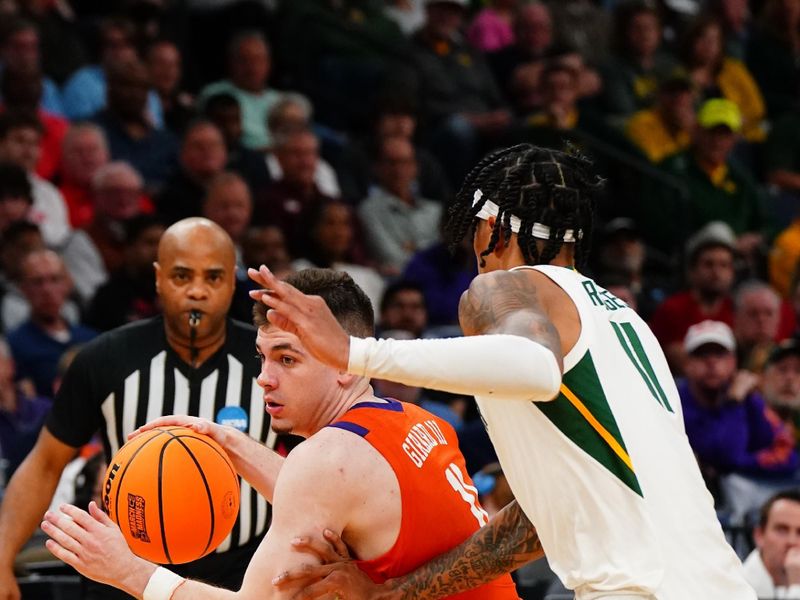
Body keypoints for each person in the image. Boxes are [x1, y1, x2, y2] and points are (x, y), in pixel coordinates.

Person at [258, 144, 756, 598]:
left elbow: (536, 368)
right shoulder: (629, 323)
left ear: (493, 229)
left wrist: (355, 352)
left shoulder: (502, 287)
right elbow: (538, 521)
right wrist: (392, 595)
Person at [41, 268, 518, 600]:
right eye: (262, 357)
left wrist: (129, 572)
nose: (265, 378)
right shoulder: (416, 420)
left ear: (346, 366)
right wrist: (223, 439)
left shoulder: (328, 459)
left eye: (288, 359)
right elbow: (323, 494)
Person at [0, 217, 281, 600]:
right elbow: (46, 463)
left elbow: (312, 469)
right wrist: (1, 557)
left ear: (232, 283)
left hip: (243, 568)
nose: (197, 291)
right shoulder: (104, 358)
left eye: (213, 278)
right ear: (158, 278)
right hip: (124, 566)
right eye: (182, 277)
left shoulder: (272, 363)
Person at [742, 490, 800, 598]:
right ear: (759, 535)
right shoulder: (736, 586)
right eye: (782, 530)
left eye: (799, 532)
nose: (792, 541)